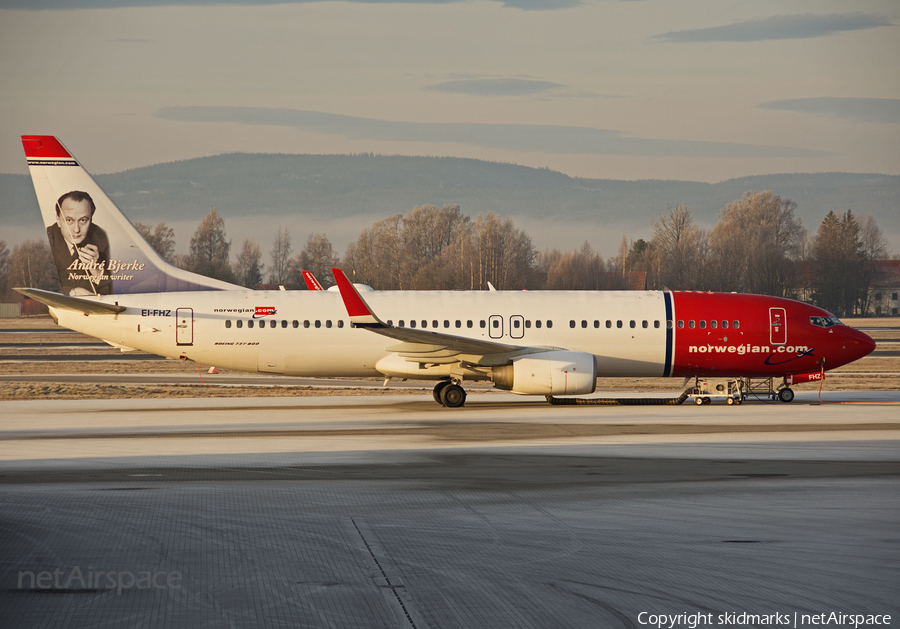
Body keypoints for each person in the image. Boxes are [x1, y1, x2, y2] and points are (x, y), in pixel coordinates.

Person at [47, 190, 112, 296]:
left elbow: (117, 292)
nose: (76, 230)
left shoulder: (103, 241)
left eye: (83, 220)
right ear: (58, 220)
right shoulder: (47, 242)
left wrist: (96, 270)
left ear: (91, 220)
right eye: (69, 221)